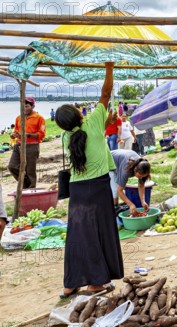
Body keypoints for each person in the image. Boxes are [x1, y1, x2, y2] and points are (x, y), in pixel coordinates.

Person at [55, 62, 123, 298]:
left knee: (78, 235)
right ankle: (95, 283)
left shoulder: (67, 137)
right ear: (79, 114)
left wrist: (105, 122)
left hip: (78, 190)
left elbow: (90, 136)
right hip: (98, 186)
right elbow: (105, 93)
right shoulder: (92, 122)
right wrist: (109, 68)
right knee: (99, 233)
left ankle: (71, 283)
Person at [8, 97, 46, 189]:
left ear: (33, 106)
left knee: (30, 171)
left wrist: (28, 135)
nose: (24, 108)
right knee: (12, 166)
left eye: (27, 106)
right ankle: (25, 185)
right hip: (19, 145)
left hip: (32, 146)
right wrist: (13, 134)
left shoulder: (39, 118)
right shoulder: (18, 118)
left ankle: (31, 189)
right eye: (23, 106)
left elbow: (41, 134)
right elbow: (16, 130)